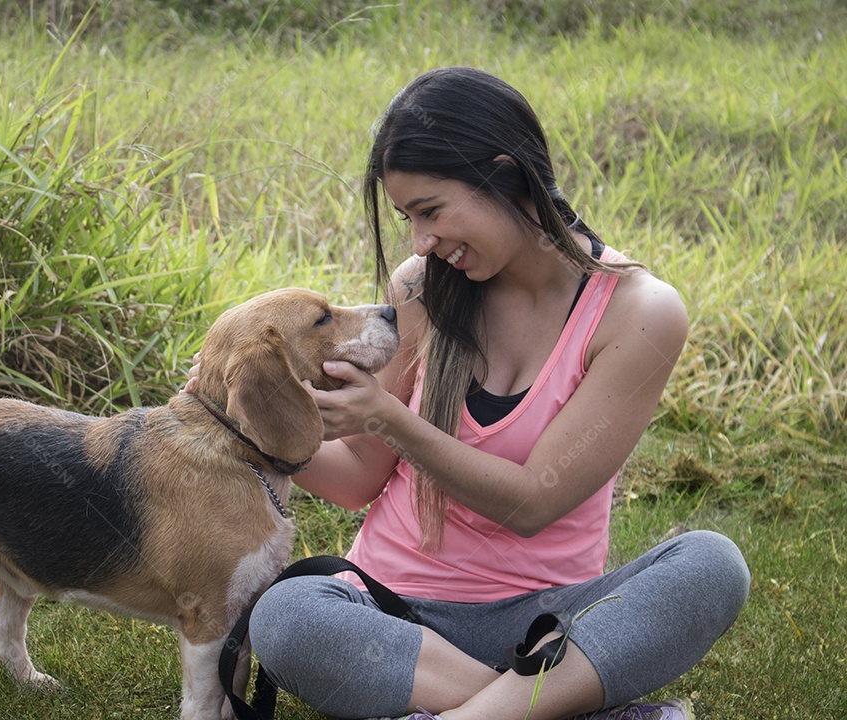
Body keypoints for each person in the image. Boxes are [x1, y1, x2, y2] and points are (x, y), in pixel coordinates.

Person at [195, 67, 750, 720]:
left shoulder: (639, 313)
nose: (421, 241)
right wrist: (241, 419)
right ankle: (551, 705)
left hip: (545, 621)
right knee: (287, 615)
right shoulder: (422, 286)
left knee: (712, 568)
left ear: (504, 172)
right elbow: (358, 482)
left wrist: (389, 420)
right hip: (388, 611)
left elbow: (533, 503)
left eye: (430, 211)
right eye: (407, 218)